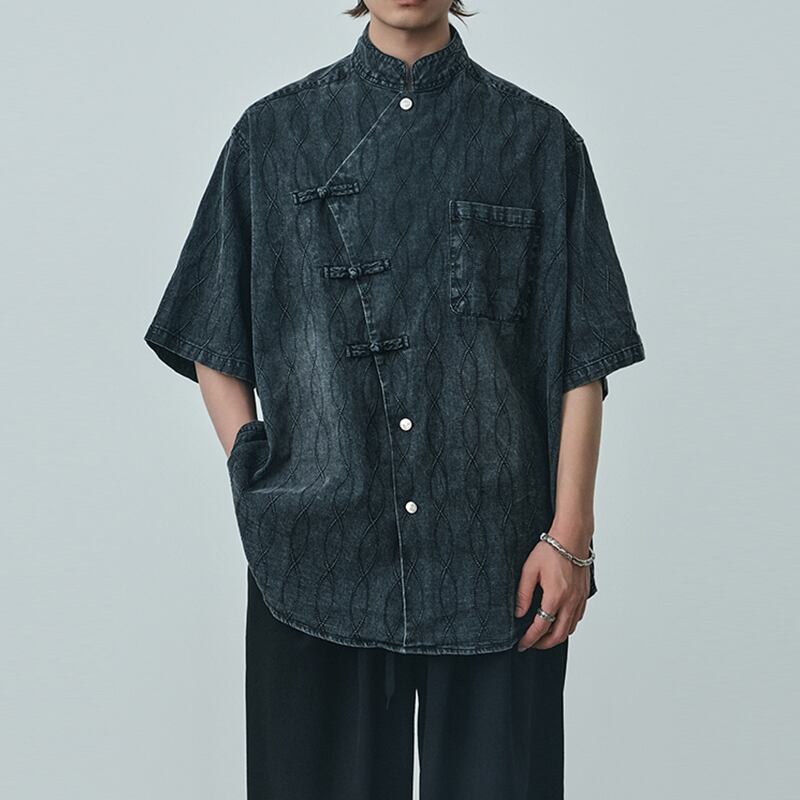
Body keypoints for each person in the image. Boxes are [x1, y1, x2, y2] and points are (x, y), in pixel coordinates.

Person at [143, 2, 646, 797]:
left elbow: (582, 357)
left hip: (500, 566)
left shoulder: (538, 141)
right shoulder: (272, 136)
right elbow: (212, 332)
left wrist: (571, 535)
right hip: (316, 558)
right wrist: (256, 470)